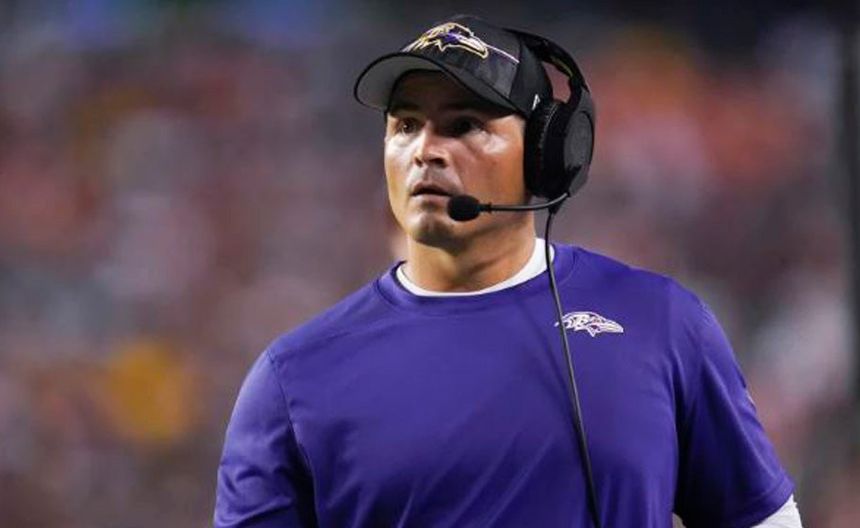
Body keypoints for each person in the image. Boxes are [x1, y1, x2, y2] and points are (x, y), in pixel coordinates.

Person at [214, 15, 803, 527]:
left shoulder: (661, 323)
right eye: (406, 124)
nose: (425, 150)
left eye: (465, 125)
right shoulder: (294, 379)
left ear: (547, 155)